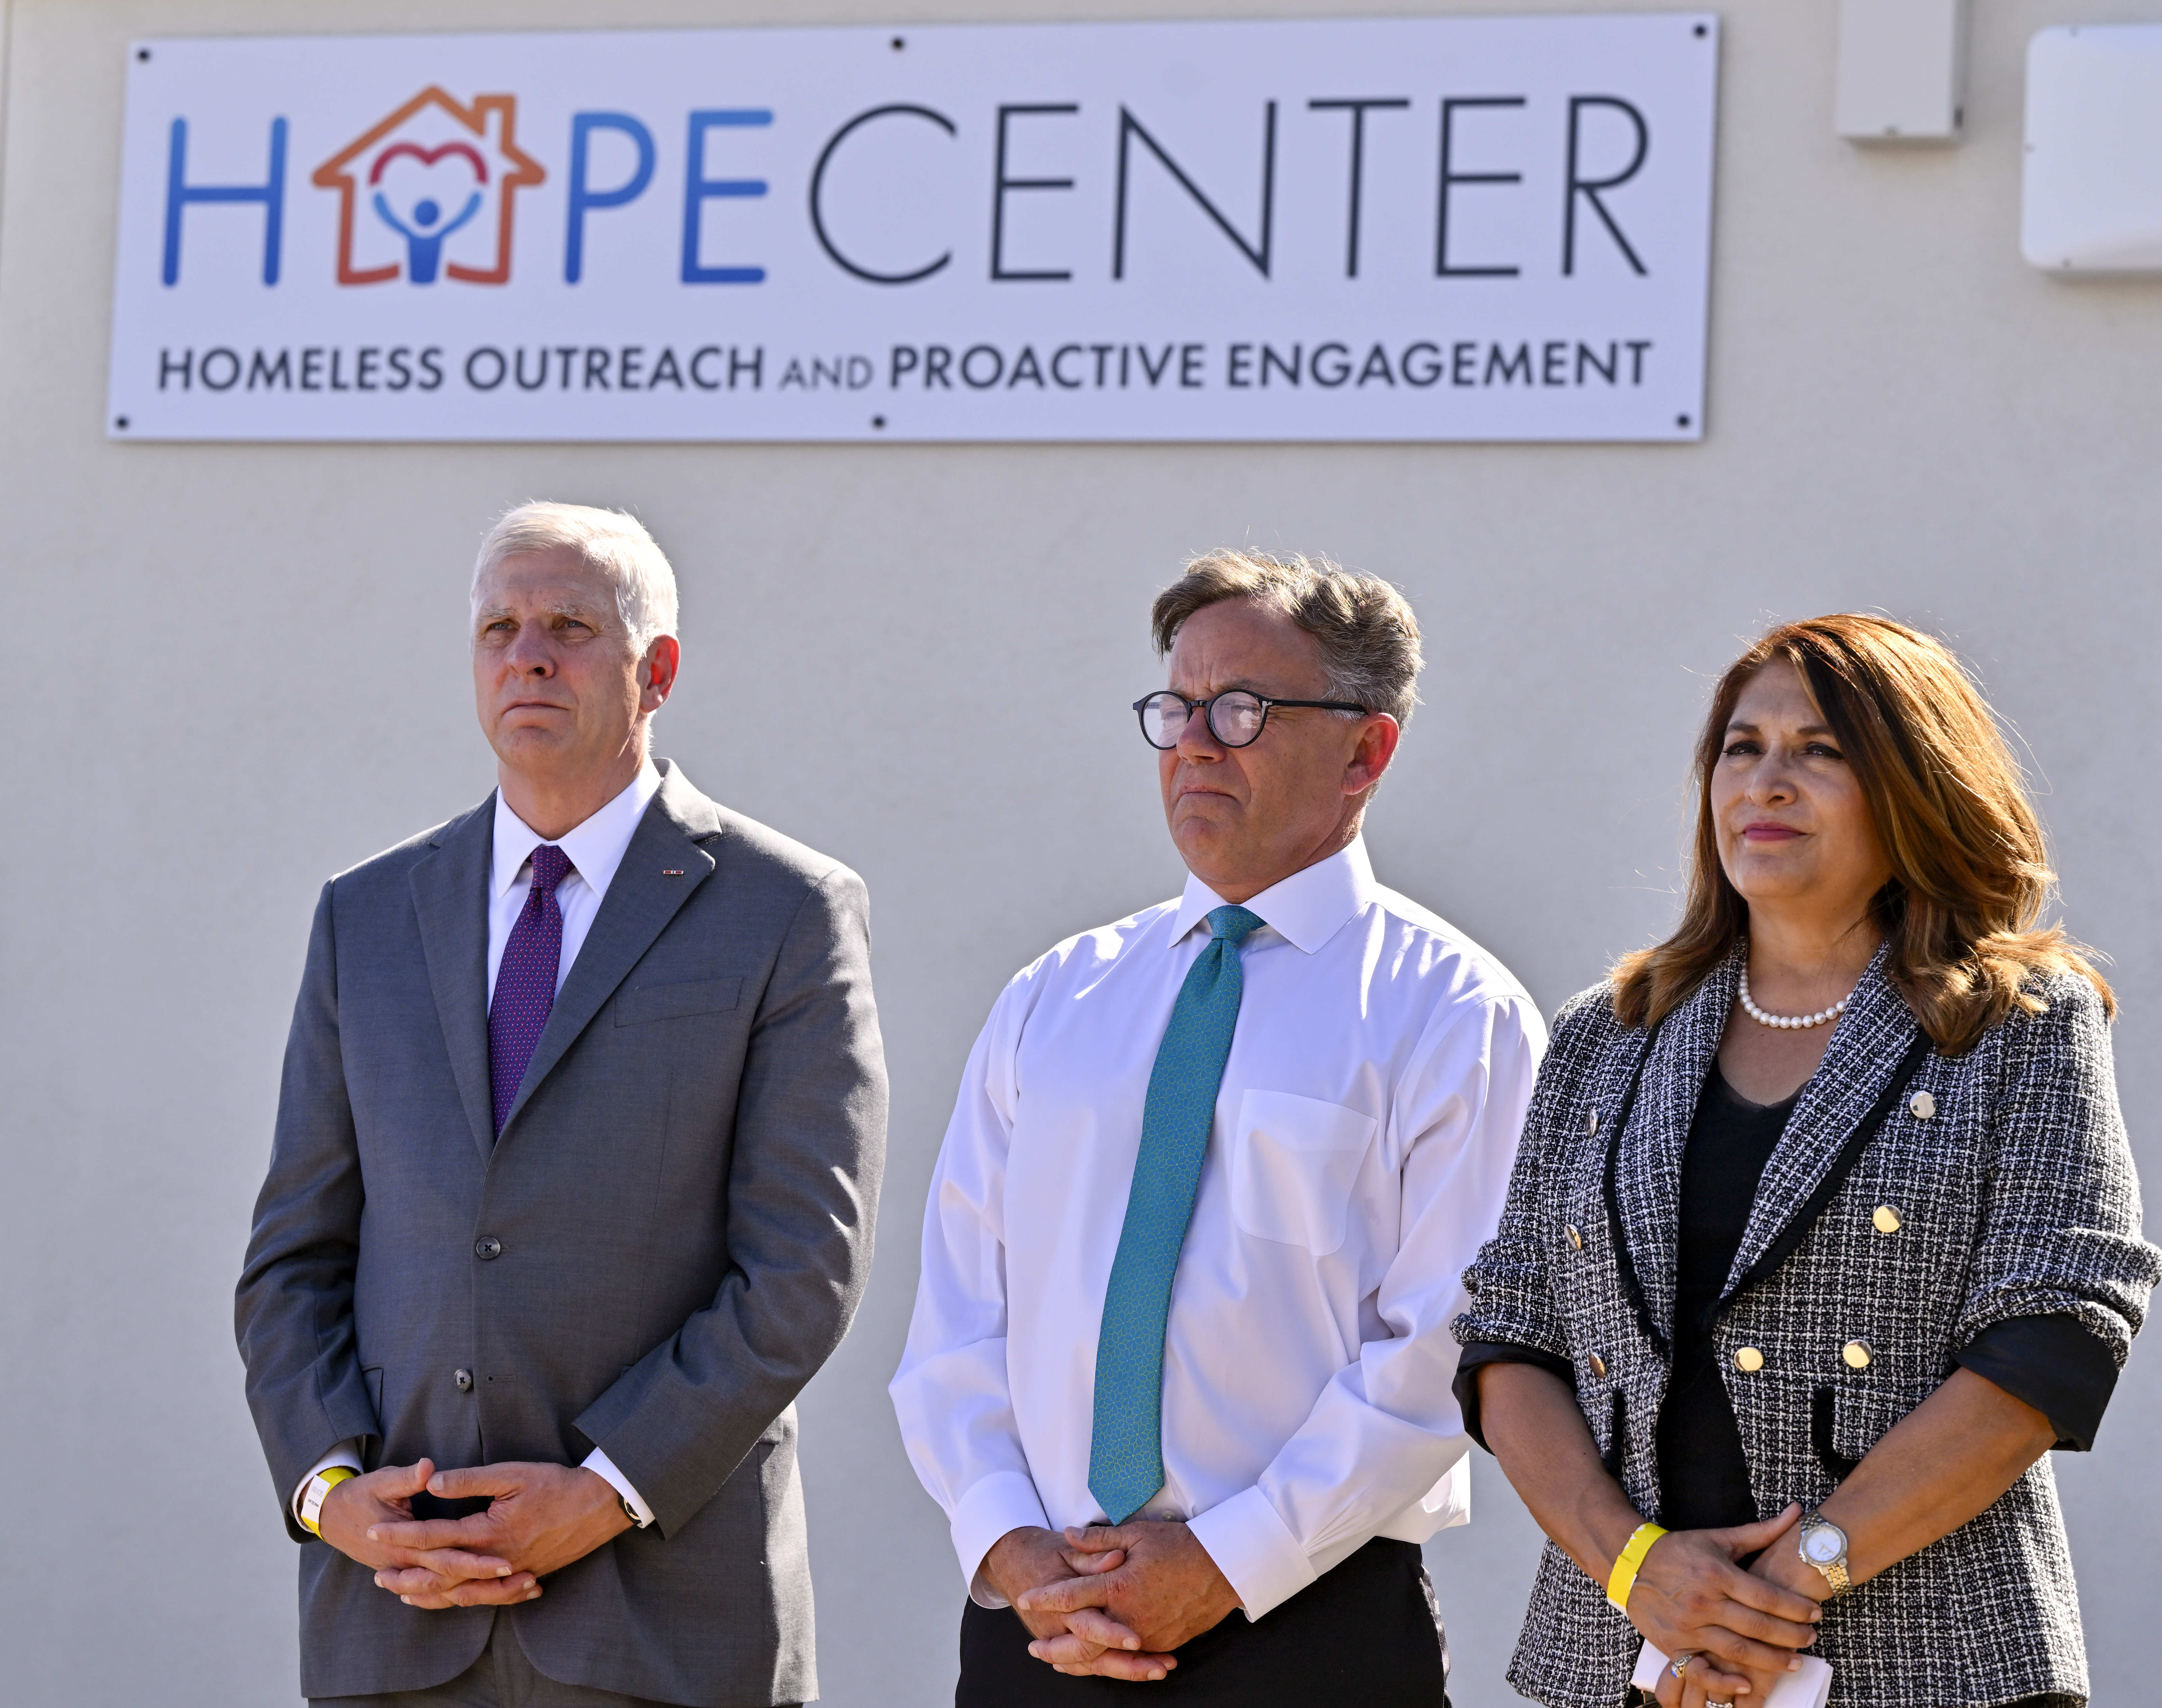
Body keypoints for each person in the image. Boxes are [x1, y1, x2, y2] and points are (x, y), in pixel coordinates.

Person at [234, 502, 887, 1708]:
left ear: (659, 672)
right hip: (398, 1616)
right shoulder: (365, 916)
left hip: (666, 1622)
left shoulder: (786, 910)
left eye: (571, 625)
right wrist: (332, 1497)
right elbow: (292, 1261)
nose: (528, 653)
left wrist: (605, 1488)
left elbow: (803, 1267)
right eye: (500, 626)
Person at [1452, 615, 2160, 1708]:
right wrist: (1640, 1572)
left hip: (1928, 1664)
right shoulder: (1608, 1030)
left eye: (1820, 752)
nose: (1767, 782)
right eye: (1743, 747)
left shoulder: (2021, 1019)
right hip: (1630, 1661)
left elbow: (2056, 1337)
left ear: (1914, 786)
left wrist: (1783, 1586)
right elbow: (1511, 1336)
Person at [891, 550, 1544, 1704]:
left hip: (1308, 1626)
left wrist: (1225, 1563)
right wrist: (1009, 1546)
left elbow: (1448, 1347)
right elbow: (957, 1319)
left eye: (1242, 708)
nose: (1196, 740)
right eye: (1177, 707)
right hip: (1040, 1624)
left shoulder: (1453, 1013)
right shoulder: (1057, 996)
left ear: (1367, 750)